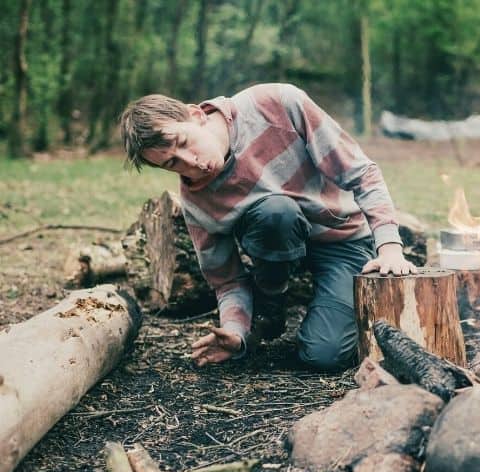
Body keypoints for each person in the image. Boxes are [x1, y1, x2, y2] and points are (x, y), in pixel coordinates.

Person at [119, 83, 417, 371]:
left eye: (183, 143)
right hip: (275, 244)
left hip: (340, 238)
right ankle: (270, 303)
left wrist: (389, 247)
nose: (191, 163)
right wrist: (235, 332)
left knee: (324, 356)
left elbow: (361, 173)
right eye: (173, 163)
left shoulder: (276, 103)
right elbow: (225, 280)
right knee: (276, 213)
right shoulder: (197, 201)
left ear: (196, 115)